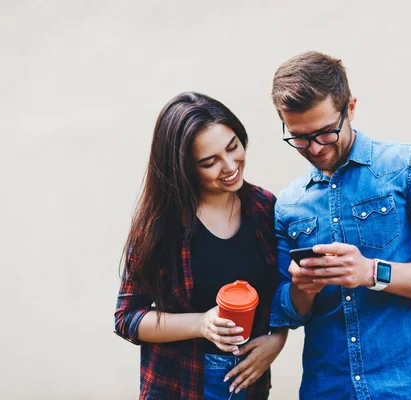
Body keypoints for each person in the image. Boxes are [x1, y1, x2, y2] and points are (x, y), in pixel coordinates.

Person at [269, 52, 411, 399]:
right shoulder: (288, 204)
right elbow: (286, 312)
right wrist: (302, 288)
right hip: (327, 390)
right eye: (300, 138)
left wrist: (371, 272)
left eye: (325, 133)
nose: (315, 148)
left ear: (350, 107)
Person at [114, 91, 288, 400]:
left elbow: (280, 294)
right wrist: (201, 324)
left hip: (250, 386)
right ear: (184, 168)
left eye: (233, 147)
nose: (230, 165)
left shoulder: (264, 207)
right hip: (180, 385)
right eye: (209, 162)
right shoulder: (160, 225)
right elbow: (127, 318)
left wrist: (277, 341)